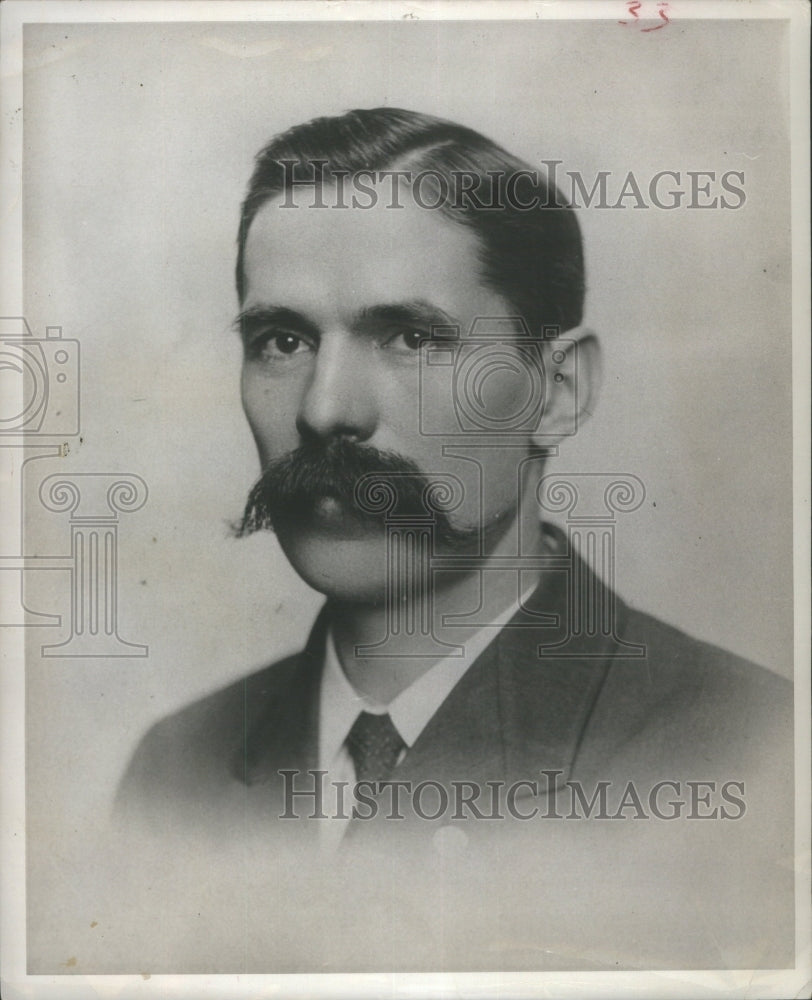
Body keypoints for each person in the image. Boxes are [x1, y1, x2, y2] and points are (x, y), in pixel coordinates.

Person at [115, 109, 793, 969]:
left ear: (558, 392)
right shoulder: (174, 775)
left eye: (411, 337)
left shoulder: (749, 756)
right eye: (280, 340)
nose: (326, 410)